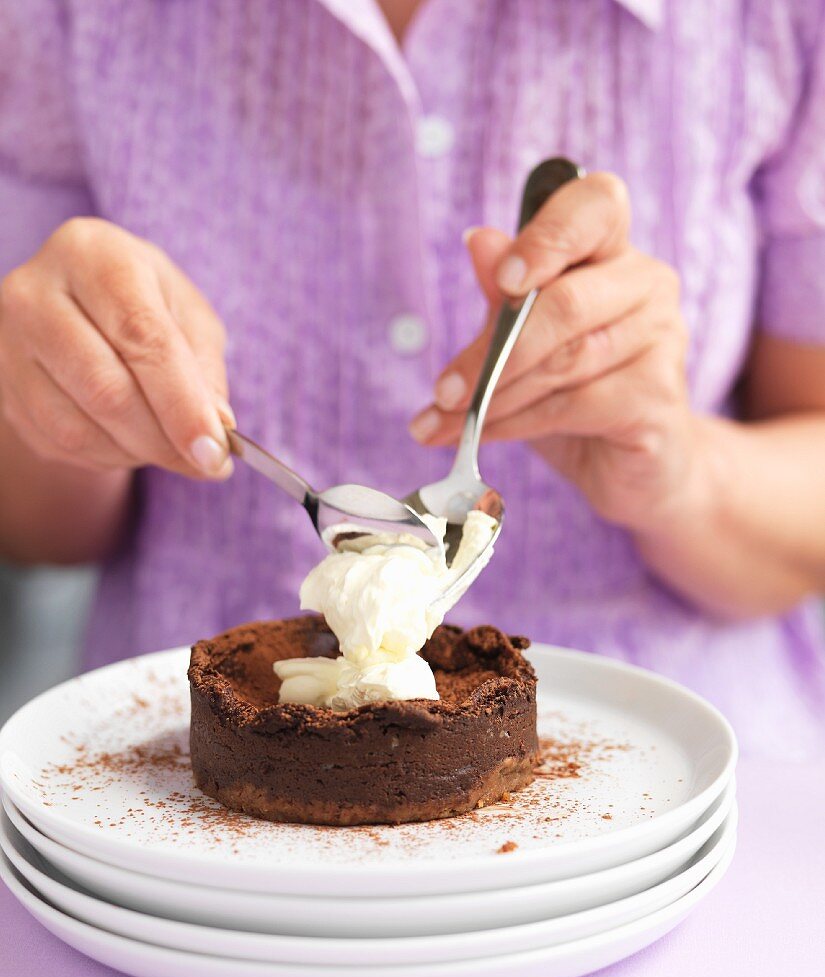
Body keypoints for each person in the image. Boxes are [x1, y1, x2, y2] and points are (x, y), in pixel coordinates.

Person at [1, 0, 824, 752]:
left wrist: (678, 472)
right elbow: (37, 530)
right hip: (169, 789)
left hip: (675, 787)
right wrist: (76, 400)